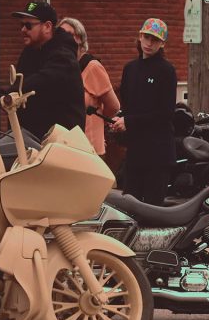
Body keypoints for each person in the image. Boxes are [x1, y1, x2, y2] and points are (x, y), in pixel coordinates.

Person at [0, 0, 84, 140]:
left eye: (28, 25)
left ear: (47, 26)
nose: (23, 30)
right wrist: (1, 98)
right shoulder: (30, 51)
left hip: (60, 143)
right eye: (21, 25)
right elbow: (20, 84)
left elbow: (40, 81)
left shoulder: (63, 56)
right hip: (31, 139)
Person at [110, 18, 177, 205]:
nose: (149, 43)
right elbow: (128, 106)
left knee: (152, 209)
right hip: (135, 151)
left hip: (158, 153)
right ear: (140, 37)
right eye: (146, 37)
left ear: (162, 43)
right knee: (130, 205)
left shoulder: (167, 71)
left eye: (154, 40)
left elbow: (165, 114)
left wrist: (129, 122)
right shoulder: (130, 69)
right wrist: (120, 118)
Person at [57, 17, 120, 156]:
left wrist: (97, 126)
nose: (63, 39)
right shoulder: (59, 66)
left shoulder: (92, 67)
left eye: (68, 34)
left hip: (89, 149)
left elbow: (113, 106)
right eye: (60, 34)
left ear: (79, 39)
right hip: (66, 147)